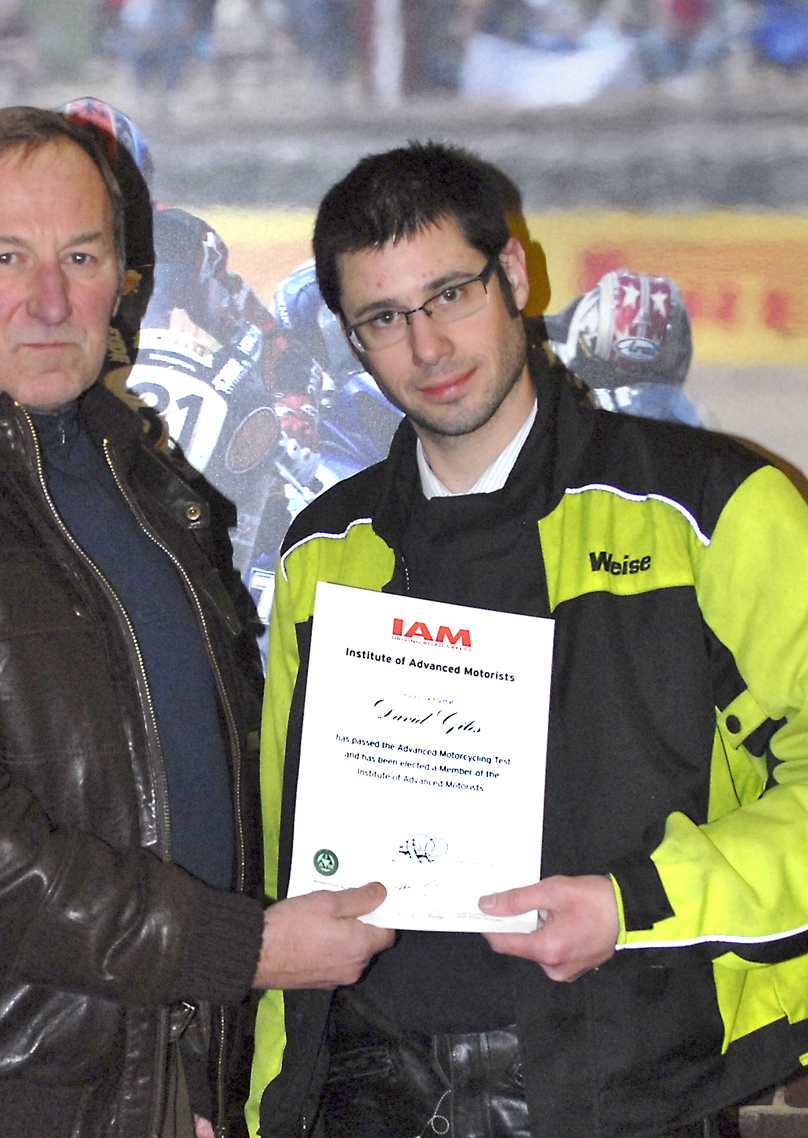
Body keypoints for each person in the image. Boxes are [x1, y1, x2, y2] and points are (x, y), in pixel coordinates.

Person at [0, 106, 392, 1138]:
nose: (50, 299)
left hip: (140, 1073)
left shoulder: (136, 472)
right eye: (6, 257)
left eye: (80, 256)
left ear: (123, 273)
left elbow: (190, 773)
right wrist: (246, 952)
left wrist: (193, 1071)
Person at [247, 141, 808, 1138]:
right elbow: (285, 859)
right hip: (367, 1098)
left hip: (631, 1090)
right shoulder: (323, 549)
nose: (428, 347)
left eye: (450, 294)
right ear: (353, 339)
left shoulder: (713, 508)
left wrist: (635, 903)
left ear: (513, 274)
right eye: (384, 318)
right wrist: (264, 1105)